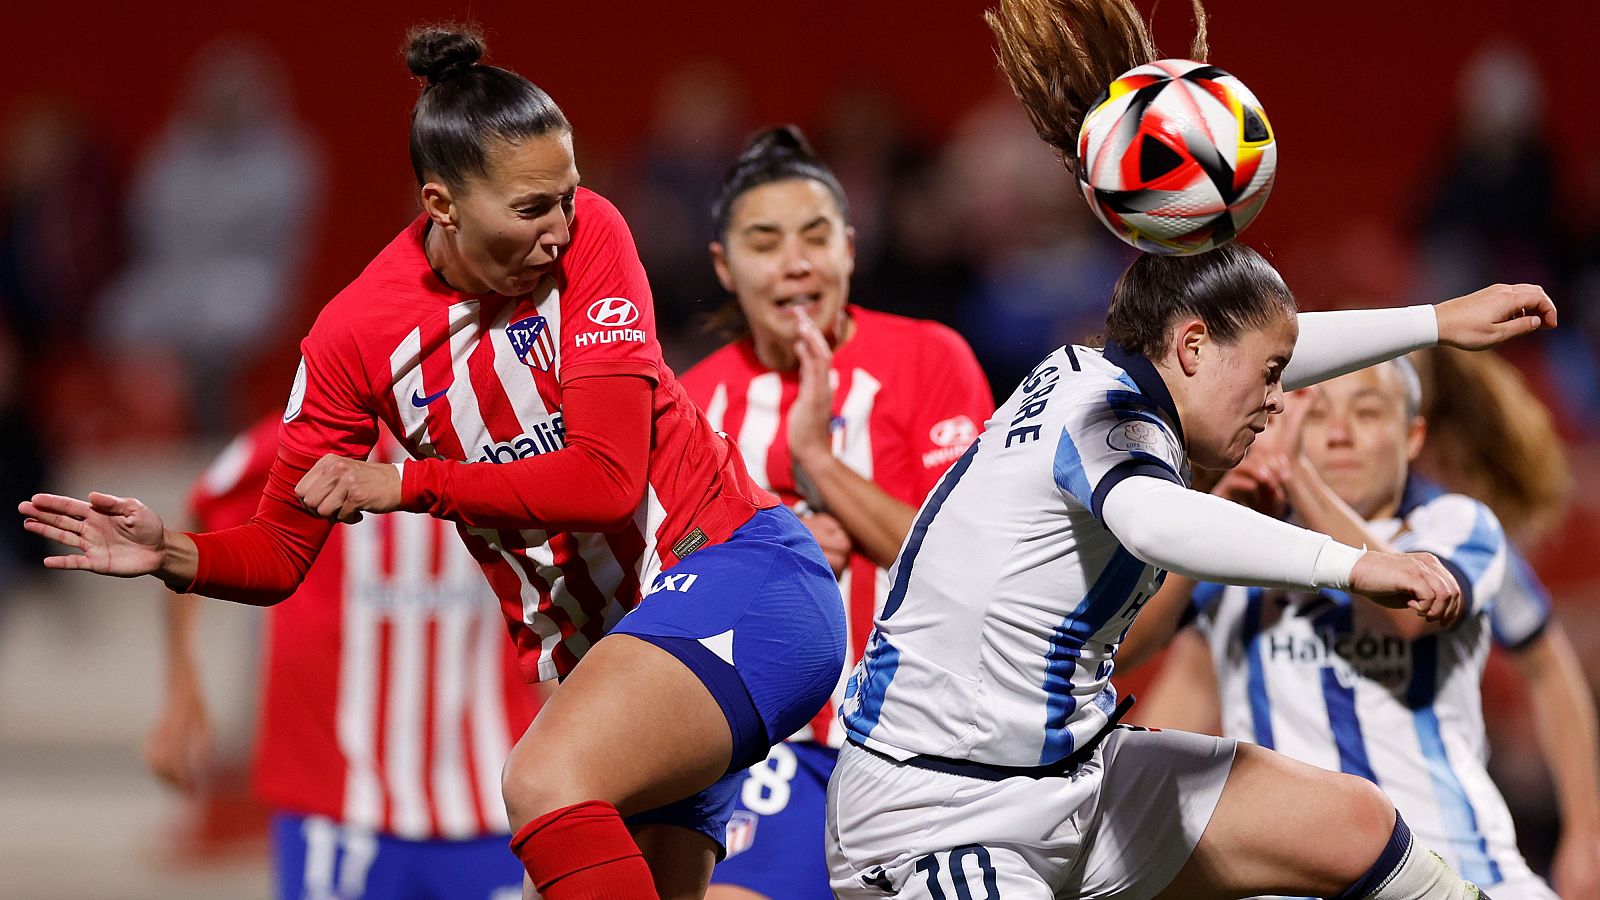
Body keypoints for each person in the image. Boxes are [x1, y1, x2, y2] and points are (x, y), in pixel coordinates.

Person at [21, 26, 845, 900]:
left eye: (566, 196)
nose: (560, 227)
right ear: (441, 204)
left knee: (540, 783)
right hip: (616, 656)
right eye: (532, 209)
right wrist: (174, 554)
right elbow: (276, 554)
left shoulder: (594, 237)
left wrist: (409, 483)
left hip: (739, 573)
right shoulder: (354, 337)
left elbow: (603, 483)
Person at [823, 1, 1560, 898]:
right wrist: (1353, 567)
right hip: (935, 809)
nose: (1280, 402)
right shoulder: (1104, 422)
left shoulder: (1113, 374)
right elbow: (1155, 517)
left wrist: (1435, 323)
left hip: (1073, 786)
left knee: (1349, 823)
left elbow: (1269, 341)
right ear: (1193, 349)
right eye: (1271, 378)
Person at [1122, 349, 1600, 900]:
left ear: (1412, 437)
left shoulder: (1455, 527)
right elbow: (1139, 661)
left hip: (1458, 868)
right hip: (1292, 886)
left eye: (1367, 413)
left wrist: (1585, 834)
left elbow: (1411, 613)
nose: (1339, 435)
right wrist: (1212, 516)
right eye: (1317, 415)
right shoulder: (1244, 542)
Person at [677, 126, 994, 900]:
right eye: (765, 242)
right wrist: (772, 547)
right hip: (769, 748)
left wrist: (818, 463)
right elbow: (665, 578)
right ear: (725, 266)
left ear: (850, 248)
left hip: (927, 747)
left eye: (816, 237)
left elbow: (970, 569)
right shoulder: (695, 402)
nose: (795, 262)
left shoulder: (930, 359)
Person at [145, 416, 541, 900]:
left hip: (490, 804)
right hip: (334, 803)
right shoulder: (301, 438)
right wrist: (182, 684)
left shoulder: (515, 433)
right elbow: (196, 524)